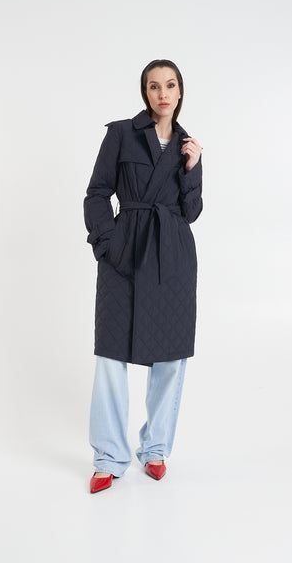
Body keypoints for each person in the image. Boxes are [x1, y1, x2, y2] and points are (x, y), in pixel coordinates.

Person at [83, 59, 203, 493]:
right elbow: (97, 192)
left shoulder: (189, 146)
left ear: (180, 91)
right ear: (145, 92)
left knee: (171, 357)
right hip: (125, 254)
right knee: (110, 356)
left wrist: (192, 169)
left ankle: (155, 449)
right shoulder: (120, 133)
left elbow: (192, 212)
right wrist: (108, 244)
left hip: (172, 256)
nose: (162, 93)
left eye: (170, 85)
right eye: (154, 86)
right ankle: (108, 456)